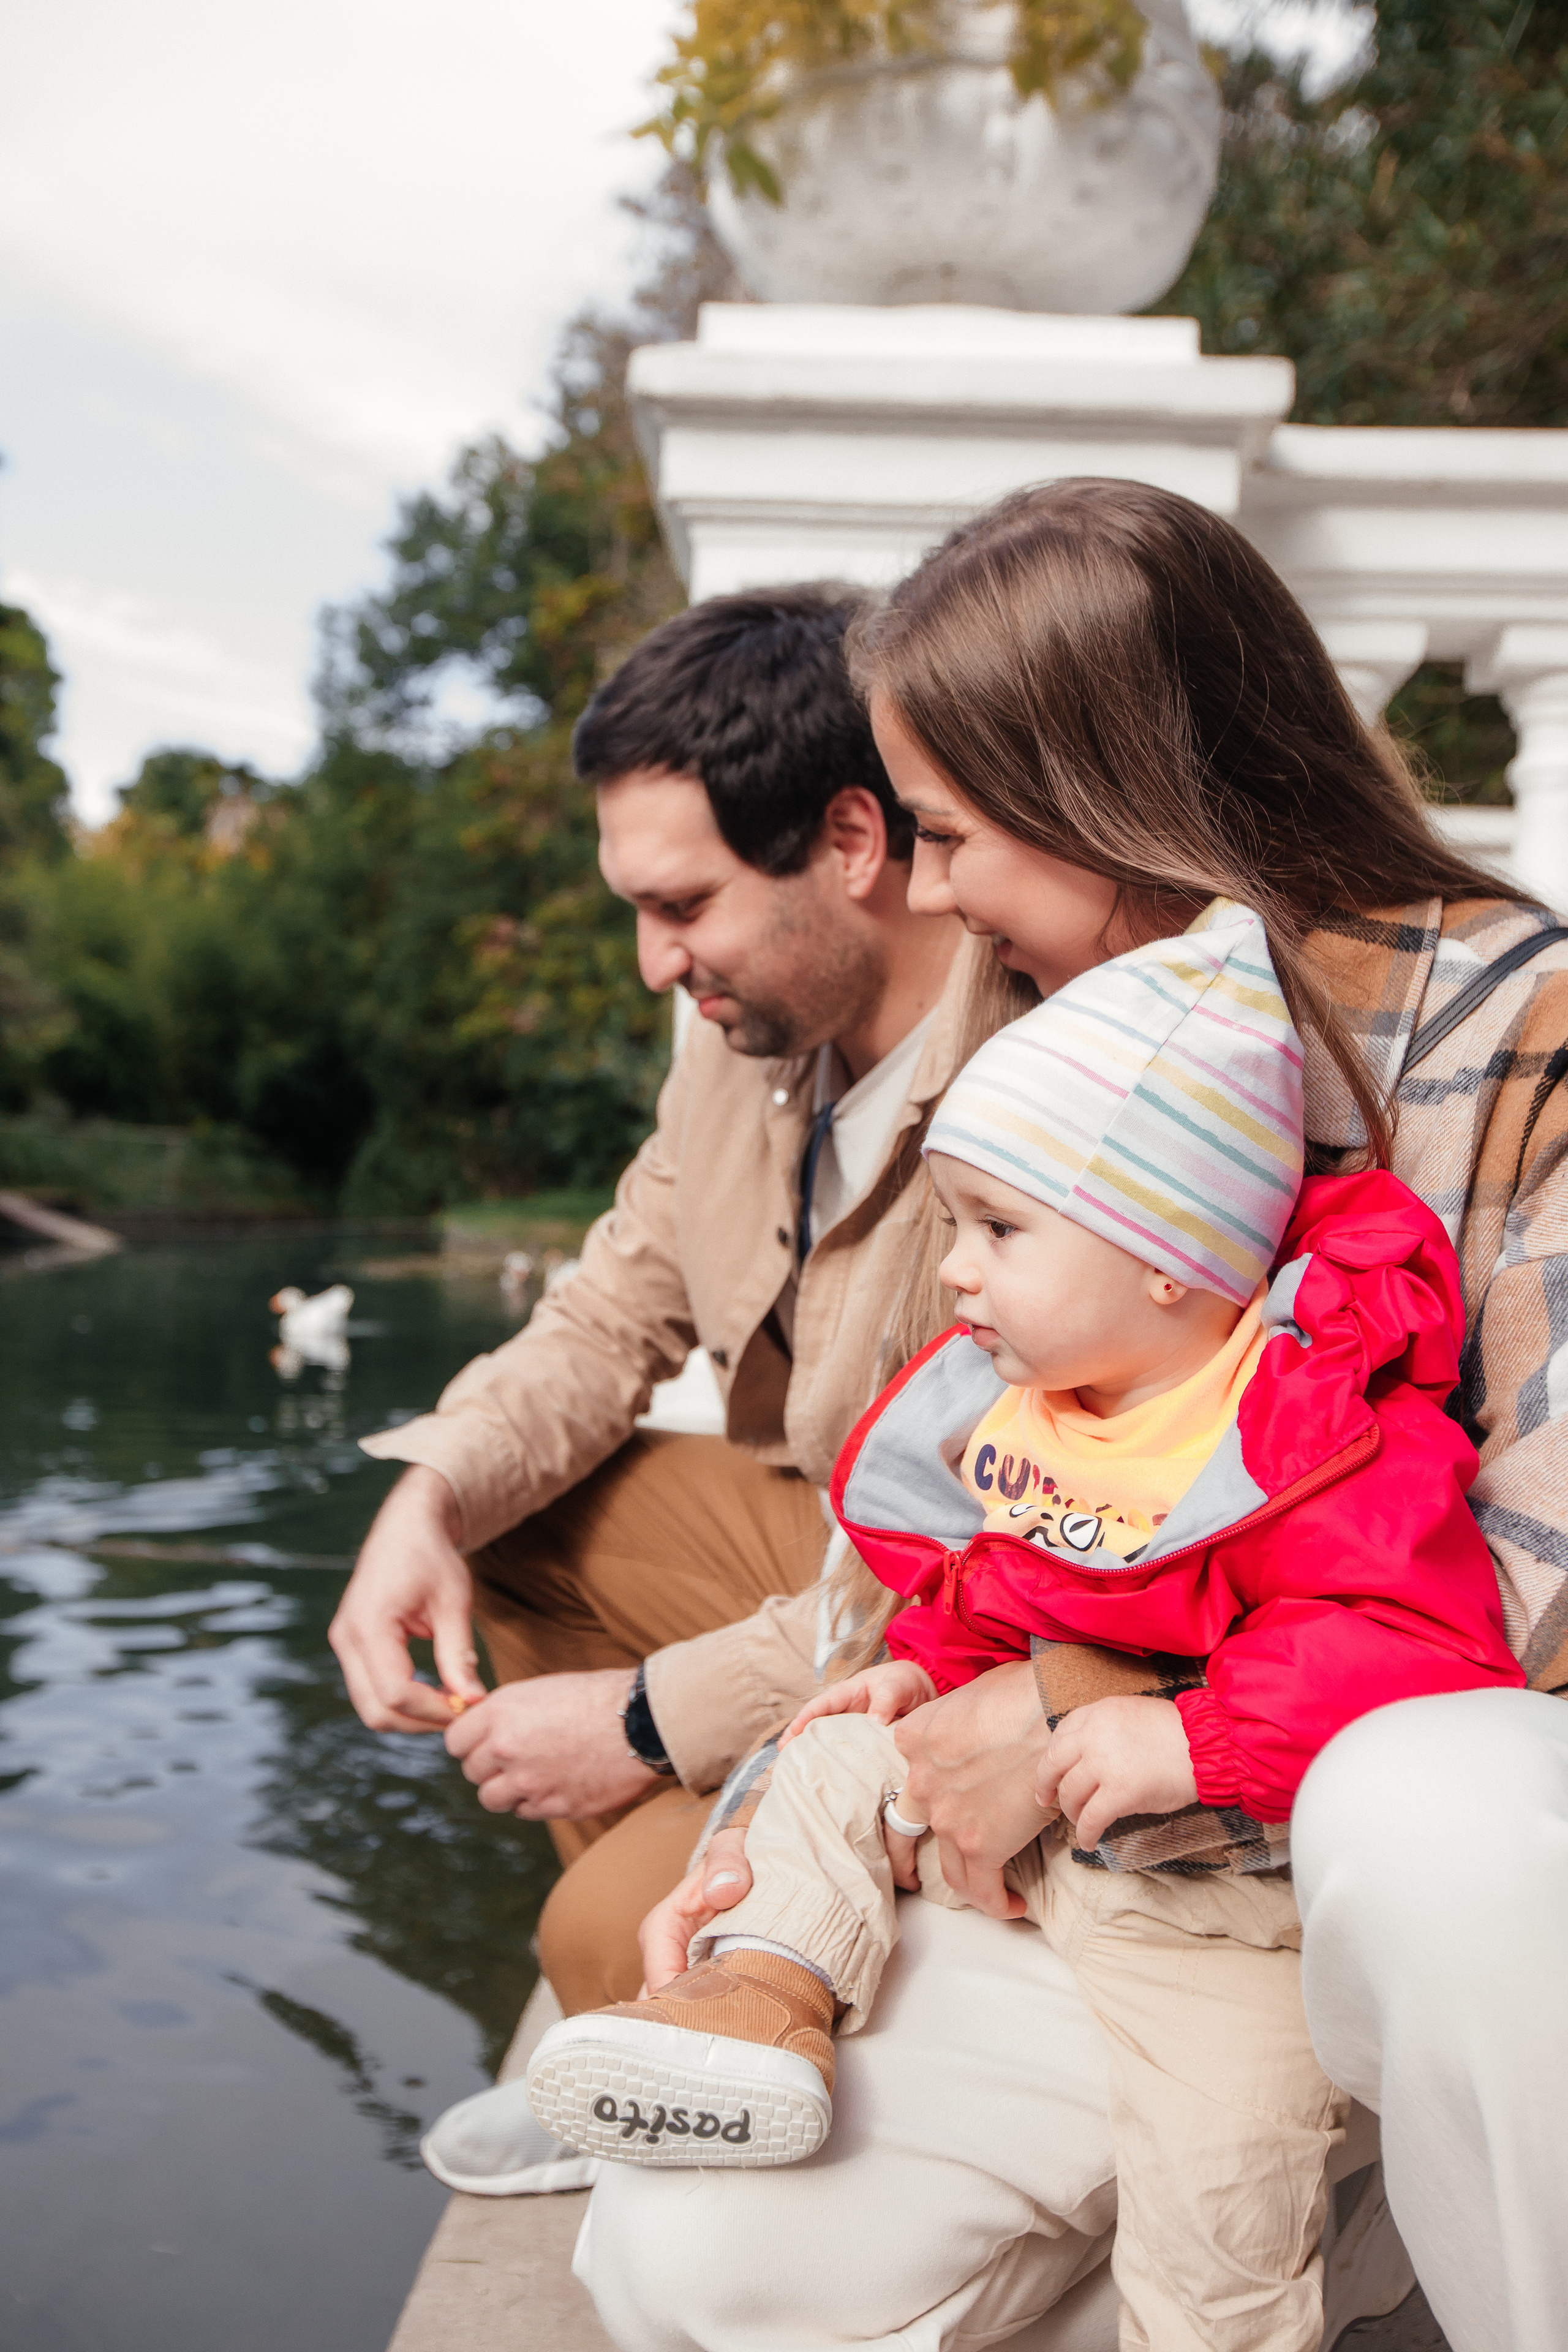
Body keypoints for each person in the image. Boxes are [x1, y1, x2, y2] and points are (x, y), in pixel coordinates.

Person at [575, 483, 1568, 2352]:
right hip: (1084, 1889)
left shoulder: (1522, 1034)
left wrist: (1094, 1708)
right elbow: (936, 1527)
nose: (926, 893)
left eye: (949, 835)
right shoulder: (1023, 1023)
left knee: (1448, 1817)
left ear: (1117, 793)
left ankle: (1389, 2208)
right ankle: (1314, 2228)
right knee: (688, 2262)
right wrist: (785, 1833)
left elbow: (1539, 1586)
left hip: (1374, 1902)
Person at [330, 582, 1002, 1996]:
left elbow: (990, 1555)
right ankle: (707, 1867)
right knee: (498, 1521)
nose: (654, 965)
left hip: (970, 1613)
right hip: (823, 1546)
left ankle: (691, 1939)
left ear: (849, 839)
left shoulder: (1027, 1085)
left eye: (682, 906)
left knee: (586, 1942)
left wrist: (642, 1719)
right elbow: (605, 1316)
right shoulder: (742, 1045)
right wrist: (429, 1495)